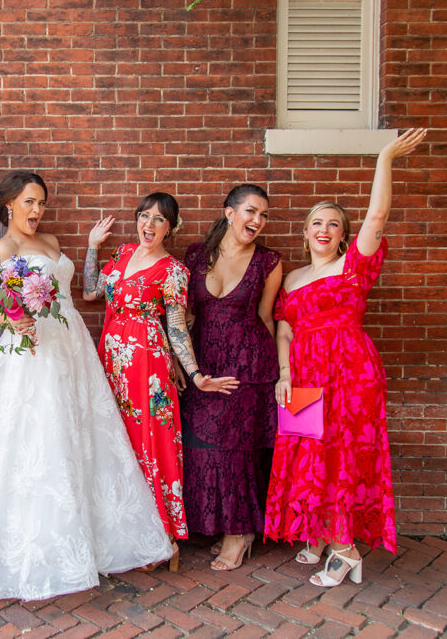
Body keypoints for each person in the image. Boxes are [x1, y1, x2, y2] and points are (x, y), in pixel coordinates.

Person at [0, 171, 172, 601]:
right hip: (32, 353)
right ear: (9, 206)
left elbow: (72, 294)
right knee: (40, 438)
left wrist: (92, 248)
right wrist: (14, 319)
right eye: (29, 202)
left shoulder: (53, 244)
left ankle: (93, 536)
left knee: (81, 434)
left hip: (70, 345)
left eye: (41, 203)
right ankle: (44, 545)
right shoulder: (5, 248)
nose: (37, 211)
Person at [265, 128, 428, 587]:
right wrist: (283, 374)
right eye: (317, 222)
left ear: (344, 236)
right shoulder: (293, 277)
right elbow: (284, 329)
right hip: (302, 373)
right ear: (305, 233)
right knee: (305, 453)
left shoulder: (353, 266)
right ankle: (320, 530)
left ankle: (345, 549)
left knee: (341, 457)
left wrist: (384, 158)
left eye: (334, 223)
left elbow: (377, 216)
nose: (324, 229)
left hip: (350, 370)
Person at [83, 191, 239, 571]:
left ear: (171, 227)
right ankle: (127, 531)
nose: (148, 225)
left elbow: (176, 329)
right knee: (117, 446)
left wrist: (196, 373)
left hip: (148, 367)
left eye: (158, 219)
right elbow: (90, 292)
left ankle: (163, 537)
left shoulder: (174, 271)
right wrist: (91, 247)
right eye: (144, 216)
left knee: (152, 447)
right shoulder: (120, 254)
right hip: (111, 365)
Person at [179, 185, 282, 572]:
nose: (257, 220)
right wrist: (182, 362)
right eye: (251, 211)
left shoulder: (268, 262)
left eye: (264, 215)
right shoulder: (195, 256)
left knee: (236, 451)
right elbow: (183, 315)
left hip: (248, 367)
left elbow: (268, 318)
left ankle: (238, 535)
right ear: (229, 213)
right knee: (202, 445)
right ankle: (221, 526)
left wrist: (278, 374)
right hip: (203, 362)